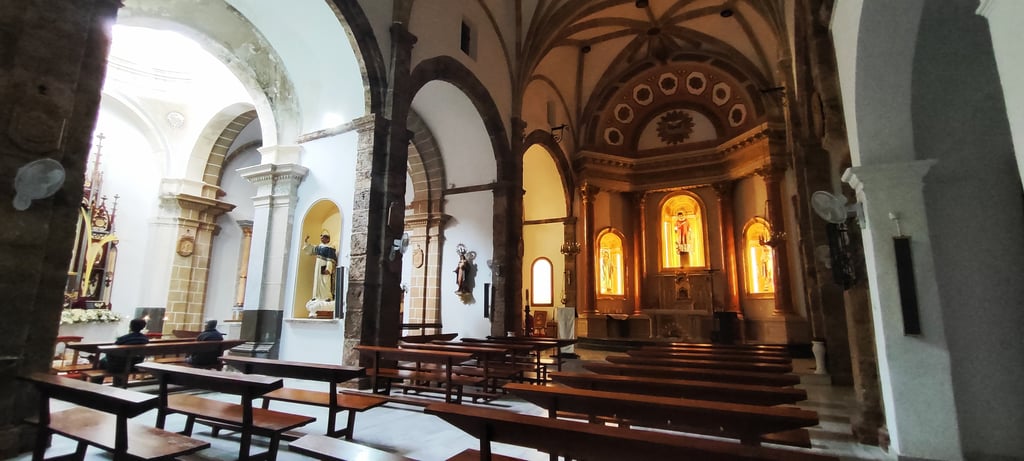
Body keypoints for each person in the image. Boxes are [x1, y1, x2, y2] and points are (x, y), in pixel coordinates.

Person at [96, 318, 149, 384]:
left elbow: (112, 351)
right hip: (135, 365)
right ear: (143, 327)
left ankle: (97, 385)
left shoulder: (123, 338)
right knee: (119, 359)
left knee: (102, 362)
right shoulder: (145, 339)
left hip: (119, 366)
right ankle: (118, 384)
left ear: (130, 326)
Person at [303, 231, 338, 301]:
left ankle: (327, 296)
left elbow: (330, 259)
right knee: (317, 280)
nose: (322, 238)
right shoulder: (319, 247)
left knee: (325, 281)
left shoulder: (330, 248)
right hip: (318, 266)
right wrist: (306, 241)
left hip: (325, 266)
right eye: (321, 237)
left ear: (328, 239)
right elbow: (311, 249)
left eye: (324, 237)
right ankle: (316, 296)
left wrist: (328, 269)